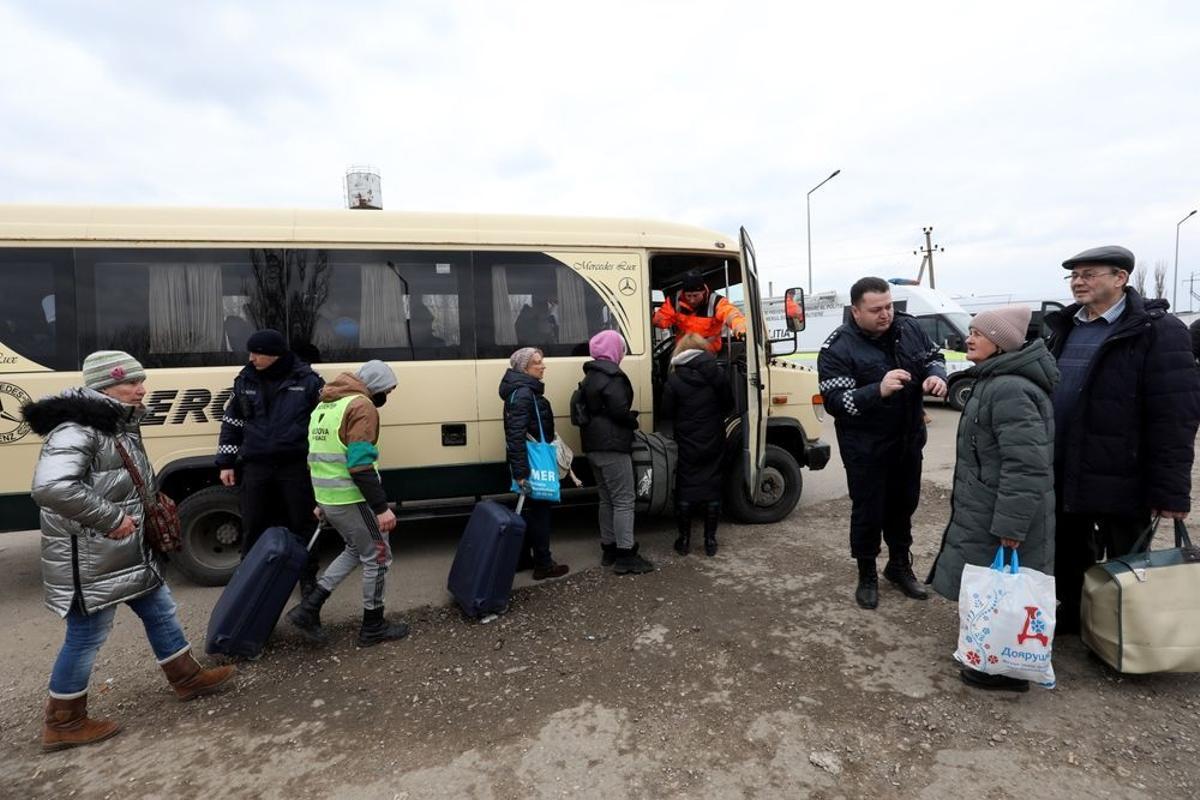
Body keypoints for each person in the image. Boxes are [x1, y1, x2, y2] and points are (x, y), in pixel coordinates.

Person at [24, 350, 235, 751]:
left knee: (159, 606)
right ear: (103, 387)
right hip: (93, 554)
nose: (141, 389)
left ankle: (185, 677)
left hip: (123, 549)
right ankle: (63, 721)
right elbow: (51, 488)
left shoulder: (114, 423)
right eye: (130, 382)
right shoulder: (78, 429)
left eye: (140, 381)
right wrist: (111, 518)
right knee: (87, 634)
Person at [1044, 246, 1200, 633]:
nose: (1079, 282)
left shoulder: (1158, 331)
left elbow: (1176, 415)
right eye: (1074, 275)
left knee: (1128, 560)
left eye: (1089, 274)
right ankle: (1075, 617)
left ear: (1120, 278)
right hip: (1068, 466)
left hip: (1125, 473)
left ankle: (1120, 632)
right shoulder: (1066, 327)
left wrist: (1172, 492)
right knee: (1069, 551)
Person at [927, 306, 1059, 692]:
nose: (969, 338)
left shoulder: (1010, 389)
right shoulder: (995, 380)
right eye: (970, 331)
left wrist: (1011, 527)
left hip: (1002, 512)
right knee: (995, 586)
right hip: (988, 504)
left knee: (1006, 590)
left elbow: (1025, 466)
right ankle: (989, 653)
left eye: (978, 333)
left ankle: (1003, 669)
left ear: (1000, 343)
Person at [817, 276, 948, 609]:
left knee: (904, 506)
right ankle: (867, 574)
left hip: (907, 442)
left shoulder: (910, 328)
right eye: (876, 309)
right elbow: (835, 402)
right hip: (866, 449)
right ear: (856, 311)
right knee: (869, 511)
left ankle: (899, 566)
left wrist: (936, 375)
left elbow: (935, 356)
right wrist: (877, 389)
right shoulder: (837, 347)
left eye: (889, 306)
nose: (886, 314)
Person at [285, 360, 410, 647]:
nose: (386, 397)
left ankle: (309, 607)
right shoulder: (361, 406)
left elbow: (316, 456)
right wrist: (381, 508)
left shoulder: (325, 405)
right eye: (387, 390)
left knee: (356, 550)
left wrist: (320, 501)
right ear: (376, 386)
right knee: (379, 557)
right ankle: (373, 626)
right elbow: (360, 465)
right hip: (353, 498)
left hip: (331, 497)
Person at [216, 329, 325, 596]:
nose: (251, 358)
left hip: (295, 466)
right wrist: (225, 462)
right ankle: (250, 581)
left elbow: (323, 424)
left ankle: (307, 579)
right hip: (257, 467)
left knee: (303, 523)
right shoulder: (245, 380)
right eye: (250, 353)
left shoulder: (309, 381)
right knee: (253, 524)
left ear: (275, 355)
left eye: (257, 353)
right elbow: (232, 423)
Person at [579, 330, 653, 574]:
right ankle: (626, 554)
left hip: (592, 444)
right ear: (614, 350)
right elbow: (619, 410)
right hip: (612, 445)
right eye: (621, 348)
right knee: (624, 499)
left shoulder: (590, 375)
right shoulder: (614, 376)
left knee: (606, 498)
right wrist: (632, 421)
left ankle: (609, 548)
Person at [660, 333, 735, 556]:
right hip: (712, 435)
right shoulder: (717, 373)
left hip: (686, 438)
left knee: (686, 484)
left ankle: (683, 541)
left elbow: (666, 412)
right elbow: (729, 403)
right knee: (712, 485)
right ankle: (710, 542)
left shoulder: (674, 379)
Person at [500, 347, 570, 580]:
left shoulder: (522, 390)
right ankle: (543, 564)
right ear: (524, 368)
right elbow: (515, 435)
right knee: (540, 513)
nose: (543, 366)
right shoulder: (524, 393)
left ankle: (522, 559)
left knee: (530, 511)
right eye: (537, 363)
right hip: (533, 465)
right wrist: (521, 472)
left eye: (542, 361)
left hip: (527, 463)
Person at [653, 270, 747, 354]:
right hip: (683, 351)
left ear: (703, 291)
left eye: (695, 295)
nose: (692, 300)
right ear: (683, 293)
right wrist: (652, 319)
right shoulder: (674, 302)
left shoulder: (716, 302)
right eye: (688, 296)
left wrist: (740, 327)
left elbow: (731, 314)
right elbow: (662, 319)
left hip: (708, 351)